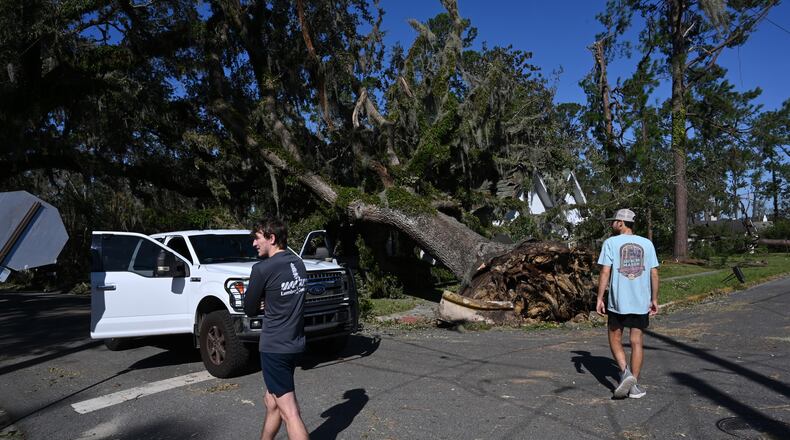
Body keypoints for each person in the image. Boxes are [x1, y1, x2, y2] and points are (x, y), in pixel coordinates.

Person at [244, 217, 309, 440]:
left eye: (257, 238)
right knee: (272, 402)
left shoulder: (262, 269)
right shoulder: (298, 263)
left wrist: (262, 300)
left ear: (272, 238)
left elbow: (250, 308)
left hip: (275, 347)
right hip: (294, 343)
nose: (254, 243)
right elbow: (288, 297)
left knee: (290, 412)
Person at [596, 208, 659, 399]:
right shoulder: (647, 244)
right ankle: (634, 386)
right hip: (641, 301)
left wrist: (600, 297)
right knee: (636, 341)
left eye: (614, 221)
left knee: (615, 337)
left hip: (618, 302)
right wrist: (654, 299)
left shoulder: (611, 243)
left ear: (622, 223)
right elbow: (654, 273)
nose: (612, 224)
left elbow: (605, 272)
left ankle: (625, 373)